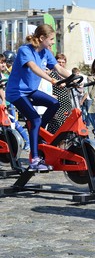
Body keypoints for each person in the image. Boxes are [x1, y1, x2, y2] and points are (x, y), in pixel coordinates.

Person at [5, 24, 72, 171]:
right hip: (17, 92)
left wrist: (76, 78)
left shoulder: (46, 52)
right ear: (42, 38)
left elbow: (59, 69)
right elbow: (34, 68)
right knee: (34, 118)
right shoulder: (25, 50)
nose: (53, 42)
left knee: (54, 103)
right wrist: (52, 80)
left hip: (30, 91)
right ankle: (34, 159)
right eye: (51, 39)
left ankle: (38, 130)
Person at [0, 53, 30, 151]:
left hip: (8, 104)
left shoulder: (7, 75)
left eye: (4, 62)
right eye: (0, 63)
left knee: (14, 123)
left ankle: (27, 142)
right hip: (2, 104)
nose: (3, 64)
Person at [47, 53, 72, 134]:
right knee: (56, 126)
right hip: (57, 103)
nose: (61, 64)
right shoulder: (51, 73)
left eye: (63, 62)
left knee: (66, 127)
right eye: (59, 62)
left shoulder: (67, 74)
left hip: (67, 104)